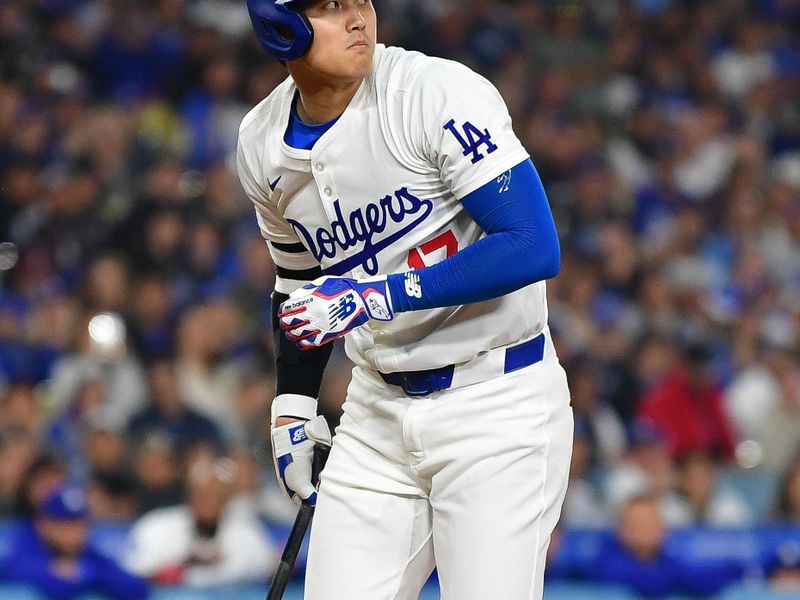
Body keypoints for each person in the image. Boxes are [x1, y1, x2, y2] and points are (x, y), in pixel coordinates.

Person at [237, 1, 573, 599]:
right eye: (332, 7)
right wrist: (292, 404)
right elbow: (297, 283)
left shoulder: (433, 92)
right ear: (278, 23)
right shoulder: (261, 144)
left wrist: (380, 295)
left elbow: (532, 244)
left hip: (495, 404)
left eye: (360, 1)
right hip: (375, 415)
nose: (359, 18)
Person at [124, 455, 276, 587]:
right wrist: (180, 565)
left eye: (217, 495)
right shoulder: (156, 526)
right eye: (203, 494)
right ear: (190, 495)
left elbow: (270, 573)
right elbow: (133, 575)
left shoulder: (247, 532)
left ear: (228, 499)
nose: (209, 502)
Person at [0, 483, 149, 600]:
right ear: (44, 524)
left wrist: (84, 571)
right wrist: (52, 573)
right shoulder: (25, 545)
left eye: (79, 524)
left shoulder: (89, 555)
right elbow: (59, 588)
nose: (74, 533)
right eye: (65, 524)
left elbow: (136, 588)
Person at [589, 495, 744, 598]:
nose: (648, 529)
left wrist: (741, 570)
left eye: (652, 522)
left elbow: (701, 578)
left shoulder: (667, 560)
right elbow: (649, 582)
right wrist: (679, 578)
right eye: (639, 524)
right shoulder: (607, 560)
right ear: (621, 531)